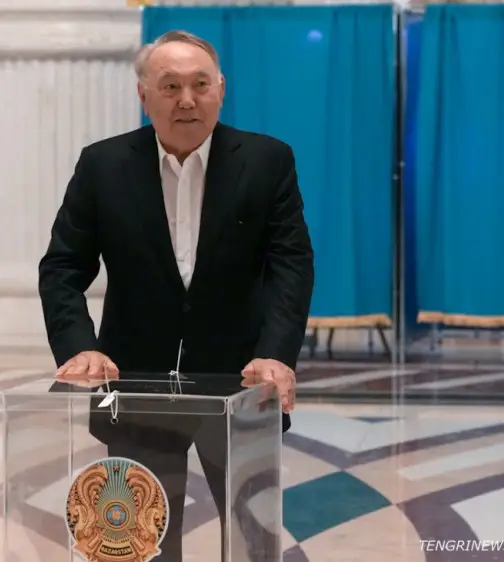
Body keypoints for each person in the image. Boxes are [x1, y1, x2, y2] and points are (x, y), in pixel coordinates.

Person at [39, 30, 314, 561]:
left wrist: (276, 354)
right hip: (135, 384)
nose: (187, 100)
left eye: (200, 84)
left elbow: (291, 265)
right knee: (141, 545)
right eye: (169, 86)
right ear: (143, 95)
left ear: (221, 90)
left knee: (252, 541)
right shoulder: (103, 165)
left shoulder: (267, 160)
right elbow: (62, 266)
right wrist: (79, 346)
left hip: (241, 384)